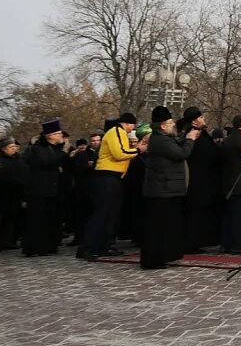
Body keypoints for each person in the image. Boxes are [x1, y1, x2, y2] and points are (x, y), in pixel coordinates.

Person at [140, 106, 200, 269]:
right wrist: (191, 139)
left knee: (166, 227)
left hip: (166, 188)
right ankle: (153, 260)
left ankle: (163, 256)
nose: (173, 124)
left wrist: (186, 134)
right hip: (161, 189)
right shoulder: (159, 140)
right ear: (162, 125)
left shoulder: (164, 137)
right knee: (157, 228)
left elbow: (177, 142)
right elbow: (181, 153)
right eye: (170, 122)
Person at [79, 113, 144, 261]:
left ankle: (104, 245)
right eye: (132, 124)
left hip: (115, 178)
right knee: (101, 213)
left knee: (111, 214)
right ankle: (87, 247)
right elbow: (119, 153)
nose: (133, 128)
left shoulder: (120, 133)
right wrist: (138, 150)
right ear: (127, 123)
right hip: (106, 176)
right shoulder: (116, 132)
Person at [21, 120, 67, 257]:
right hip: (39, 189)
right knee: (36, 219)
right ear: (50, 135)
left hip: (53, 189)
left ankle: (48, 245)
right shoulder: (38, 148)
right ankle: (32, 247)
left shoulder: (56, 148)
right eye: (58, 133)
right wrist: (63, 154)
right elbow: (45, 162)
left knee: (50, 218)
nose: (60, 136)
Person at [180, 107, 221, 254]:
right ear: (194, 120)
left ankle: (197, 241)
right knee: (194, 212)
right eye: (201, 117)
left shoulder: (201, 134)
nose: (204, 119)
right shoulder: (193, 134)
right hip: (197, 179)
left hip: (204, 178)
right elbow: (204, 154)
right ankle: (191, 243)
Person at [220, 114, 241, 254]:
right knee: (238, 215)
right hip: (240, 183)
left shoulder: (229, 139)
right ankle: (236, 244)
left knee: (229, 215)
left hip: (228, 182)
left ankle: (226, 243)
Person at [0, 137, 27, 251]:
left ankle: (8, 240)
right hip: (2, 192)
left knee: (11, 218)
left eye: (14, 147)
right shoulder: (0, 160)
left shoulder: (19, 159)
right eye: (11, 147)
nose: (14, 149)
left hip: (16, 192)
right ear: (4, 149)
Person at [70, 132, 101, 245]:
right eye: (93, 141)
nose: (96, 143)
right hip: (85, 188)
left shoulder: (103, 152)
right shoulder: (82, 154)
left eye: (98, 140)